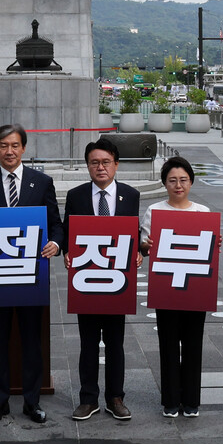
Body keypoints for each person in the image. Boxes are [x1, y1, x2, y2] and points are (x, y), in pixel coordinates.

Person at [0, 123, 63, 424]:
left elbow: (56, 223)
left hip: (32, 274)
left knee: (32, 340)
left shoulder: (42, 182)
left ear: (24, 148)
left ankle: (32, 402)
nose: (10, 151)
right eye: (4, 146)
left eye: (15, 145)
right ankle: (0, 402)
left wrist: (56, 243)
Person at [63, 137, 141, 421]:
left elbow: (134, 233)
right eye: (94, 162)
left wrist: (138, 251)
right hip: (87, 279)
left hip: (117, 281)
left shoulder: (130, 195)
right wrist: (66, 252)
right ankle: (88, 398)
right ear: (87, 166)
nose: (100, 167)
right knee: (88, 342)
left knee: (115, 342)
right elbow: (67, 231)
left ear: (116, 164)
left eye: (106, 162)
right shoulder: (76, 196)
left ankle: (115, 397)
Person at [141, 155, 210, 418]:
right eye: (172, 180)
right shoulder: (154, 211)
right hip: (166, 286)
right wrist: (145, 245)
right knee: (168, 343)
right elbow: (144, 245)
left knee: (193, 343)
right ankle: (170, 400)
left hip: (196, 286)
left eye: (183, 180)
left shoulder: (202, 212)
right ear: (164, 183)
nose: (178, 185)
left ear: (191, 182)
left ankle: (191, 400)